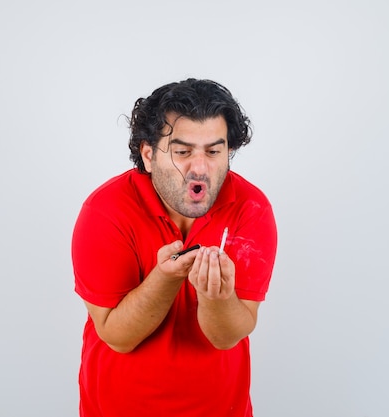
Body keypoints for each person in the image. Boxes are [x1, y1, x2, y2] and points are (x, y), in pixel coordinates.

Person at [71, 78, 278, 417]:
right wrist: (164, 279)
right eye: (182, 152)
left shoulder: (251, 209)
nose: (200, 168)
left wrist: (216, 296)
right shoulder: (105, 212)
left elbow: (228, 337)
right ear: (149, 155)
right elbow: (117, 336)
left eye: (214, 151)